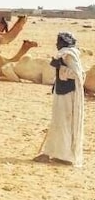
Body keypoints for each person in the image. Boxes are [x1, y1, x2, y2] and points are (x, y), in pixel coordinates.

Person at [34, 31, 85, 167]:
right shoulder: (65, 54)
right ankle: (55, 153)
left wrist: (60, 67)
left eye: (58, 41)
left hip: (68, 95)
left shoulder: (69, 55)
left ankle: (64, 156)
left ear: (63, 42)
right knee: (58, 121)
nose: (56, 44)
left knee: (64, 122)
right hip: (62, 92)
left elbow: (78, 75)